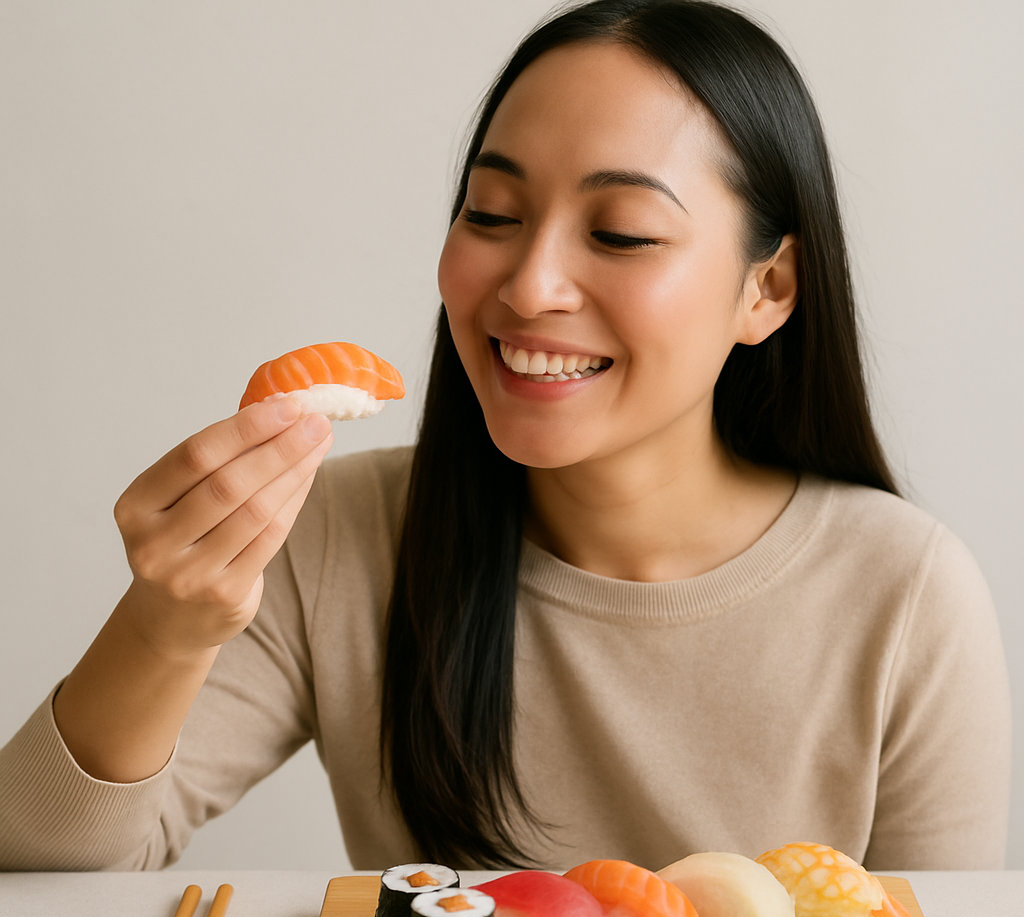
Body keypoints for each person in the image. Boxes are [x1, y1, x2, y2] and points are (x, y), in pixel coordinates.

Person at [0, 0, 1010, 873]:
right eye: (491, 213)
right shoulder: (339, 538)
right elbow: (42, 870)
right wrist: (163, 627)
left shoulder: (905, 595)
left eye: (618, 232)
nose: (528, 287)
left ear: (768, 287)